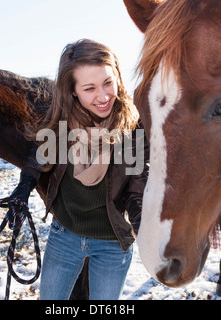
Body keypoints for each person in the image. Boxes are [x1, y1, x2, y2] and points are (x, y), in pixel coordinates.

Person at [20, 39, 149, 300]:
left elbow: (136, 188)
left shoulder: (131, 130)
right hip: (64, 236)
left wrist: (141, 222)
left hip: (112, 242)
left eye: (108, 83)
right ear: (73, 91)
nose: (103, 97)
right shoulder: (61, 123)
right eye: (89, 88)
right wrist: (22, 189)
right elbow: (39, 158)